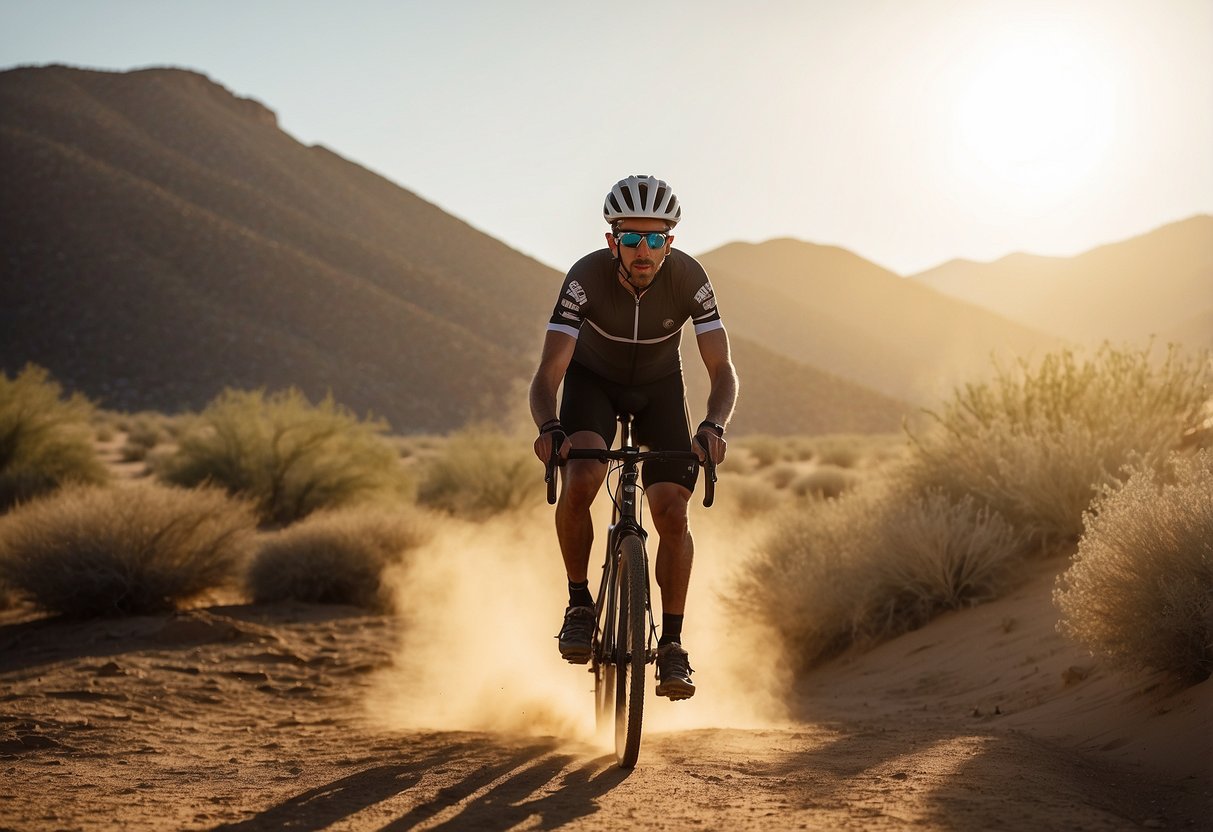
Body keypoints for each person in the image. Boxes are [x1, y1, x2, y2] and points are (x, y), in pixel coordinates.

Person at [529, 175, 739, 701]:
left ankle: (671, 645)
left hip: (659, 387)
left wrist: (714, 426)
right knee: (583, 475)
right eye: (630, 239)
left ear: (670, 242)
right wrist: (549, 428)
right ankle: (580, 605)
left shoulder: (690, 277)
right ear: (611, 241)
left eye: (654, 240)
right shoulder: (584, 278)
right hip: (592, 383)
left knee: (672, 511)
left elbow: (722, 369)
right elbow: (549, 372)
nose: (642, 251)